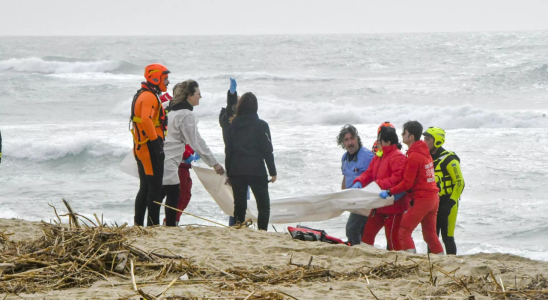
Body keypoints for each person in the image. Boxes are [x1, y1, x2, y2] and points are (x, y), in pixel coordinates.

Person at [162, 80, 225, 226]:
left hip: (163, 157)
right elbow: (196, 141)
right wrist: (214, 163)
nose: (200, 97)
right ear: (189, 95)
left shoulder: (170, 109)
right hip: (172, 160)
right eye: (198, 94)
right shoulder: (186, 115)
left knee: (159, 194)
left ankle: (155, 225)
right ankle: (170, 226)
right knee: (175, 195)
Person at [379, 121, 444, 254]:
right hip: (433, 199)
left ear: (411, 136)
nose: (402, 135)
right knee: (430, 235)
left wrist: (389, 191)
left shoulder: (414, 156)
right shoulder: (425, 153)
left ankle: (411, 261)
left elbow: (407, 184)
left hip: (422, 199)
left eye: (404, 132)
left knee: (403, 230)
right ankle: (442, 262)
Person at [351, 127, 410, 250]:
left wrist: (378, 184)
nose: (377, 143)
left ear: (388, 143)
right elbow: (368, 173)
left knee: (392, 238)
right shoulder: (379, 156)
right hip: (378, 205)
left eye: (379, 140)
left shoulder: (398, 157)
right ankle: (366, 257)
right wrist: (359, 181)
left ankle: (398, 264)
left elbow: (397, 179)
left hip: (394, 205)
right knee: (367, 234)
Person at [225, 92, 276, 231]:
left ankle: (239, 230)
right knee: (263, 206)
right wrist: (273, 172)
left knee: (239, 205)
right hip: (256, 170)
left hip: (237, 170)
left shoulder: (233, 125)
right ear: (255, 107)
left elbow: (228, 150)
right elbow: (267, 150)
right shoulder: (261, 125)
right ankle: (262, 231)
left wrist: (229, 173)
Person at [131, 64, 170, 226]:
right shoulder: (148, 97)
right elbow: (146, 119)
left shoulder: (144, 94)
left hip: (142, 148)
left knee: (146, 187)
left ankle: (139, 224)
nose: (168, 82)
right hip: (149, 148)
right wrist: (156, 144)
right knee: (155, 189)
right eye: (165, 79)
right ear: (156, 78)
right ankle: (152, 225)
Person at [423, 127, 464, 255]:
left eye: (428, 139)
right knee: (431, 237)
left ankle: (452, 264)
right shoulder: (427, 158)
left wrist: (450, 204)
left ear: (437, 141)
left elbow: (460, 183)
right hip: (432, 203)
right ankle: (432, 264)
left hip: (448, 203)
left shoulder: (449, 159)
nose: (424, 142)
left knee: (447, 238)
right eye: (424, 139)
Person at [219, 78, 250, 226]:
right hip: (236, 165)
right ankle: (235, 225)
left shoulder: (240, 122)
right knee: (239, 200)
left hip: (242, 164)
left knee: (241, 200)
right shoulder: (228, 120)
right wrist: (232, 94)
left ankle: (237, 224)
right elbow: (231, 108)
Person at [337, 125, 374, 245]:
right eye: (346, 140)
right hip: (353, 200)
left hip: (365, 200)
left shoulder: (368, 156)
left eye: (352, 138)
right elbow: (346, 177)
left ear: (357, 138)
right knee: (361, 231)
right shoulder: (345, 157)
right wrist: (343, 196)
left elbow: (377, 176)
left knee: (351, 229)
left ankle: (355, 252)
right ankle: (362, 252)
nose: (350, 142)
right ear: (343, 142)